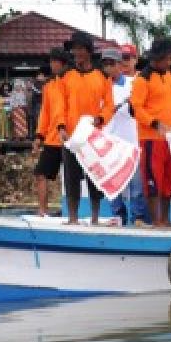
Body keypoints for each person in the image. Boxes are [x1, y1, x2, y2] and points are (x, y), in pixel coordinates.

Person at [58, 31, 114, 225]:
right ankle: (73, 218)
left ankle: (95, 218)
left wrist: (101, 119)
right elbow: (60, 105)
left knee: (94, 178)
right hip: (71, 137)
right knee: (71, 178)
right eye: (75, 49)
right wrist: (61, 127)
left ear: (89, 52)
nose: (77, 53)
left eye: (81, 49)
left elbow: (109, 105)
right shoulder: (66, 76)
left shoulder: (101, 76)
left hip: (92, 135)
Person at [131, 39, 171, 227]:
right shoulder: (142, 79)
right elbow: (136, 108)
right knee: (153, 179)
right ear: (158, 58)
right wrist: (154, 123)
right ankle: (156, 220)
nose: (170, 62)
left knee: (169, 179)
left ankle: (165, 218)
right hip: (150, 138)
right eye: (168, 58)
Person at [101, 48, 147, 225]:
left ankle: (138, 218)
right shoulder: (100, 86)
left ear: (120, 65)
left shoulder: (134, 84)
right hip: (108, 142)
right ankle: (118, 216)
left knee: (136, 187)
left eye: (112, 63)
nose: (108, 67)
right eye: (105, 64)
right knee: (112, 184)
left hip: (131, 142)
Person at [32, 48, 69, 217]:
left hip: (71, 137)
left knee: (72, 177)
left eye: (56, 61)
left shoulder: (71, 82)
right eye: (51, 61)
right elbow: (44, 113)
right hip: (52, 138)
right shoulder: (48, 86)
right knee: (40, 173)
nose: (52, 65)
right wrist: (39, 136)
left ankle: (75, 211)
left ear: (63, 64)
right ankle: (42, 210)